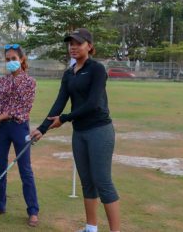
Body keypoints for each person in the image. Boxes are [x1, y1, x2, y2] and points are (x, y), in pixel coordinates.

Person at [30, 28, 121, 232]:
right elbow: (60, 102)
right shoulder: (69, 74)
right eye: (70, 43)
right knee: (87, 182)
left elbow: (93, 104)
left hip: (99, 130)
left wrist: (64, 119)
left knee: (102, 181)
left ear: (89, 46)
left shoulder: (97, 69)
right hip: (79, 133)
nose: (73, 47)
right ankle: (91, 228)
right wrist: (42, 128)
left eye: (78, 43)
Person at [0, 44, 39, 227]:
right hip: (1, 130)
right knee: (0, 168)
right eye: (7, 60)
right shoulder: (1, 82)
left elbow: (20, 109)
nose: (10, 62)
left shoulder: (30, 82)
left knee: (25, 170)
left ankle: (33, 211)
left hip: (19, 127)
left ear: (22, 59)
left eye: (13, 59)